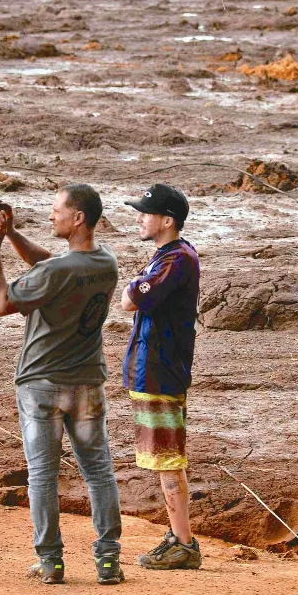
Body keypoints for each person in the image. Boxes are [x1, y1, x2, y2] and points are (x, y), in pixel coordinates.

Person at [0, 185, 124, 586]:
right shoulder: (105, 263)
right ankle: (108, 561)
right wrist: (11, 234)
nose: (50, 216)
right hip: (88, 384)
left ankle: (51, 561)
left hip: (41, 387)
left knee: (42, 475)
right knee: (99, 472)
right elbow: (50, 266)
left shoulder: (57, 273)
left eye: (56, 209)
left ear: (77, 217)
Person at [120, 183, 202, 570]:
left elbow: (130, 299)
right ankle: (178, 536)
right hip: (154, 369)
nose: (140, 217)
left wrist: (132, 291)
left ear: (167, 220)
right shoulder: (167, 256)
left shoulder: (176, 259)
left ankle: (183, 544)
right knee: (165, 455)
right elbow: (130, 297)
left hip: (160, 371)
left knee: (167, 457)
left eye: (146, 213)